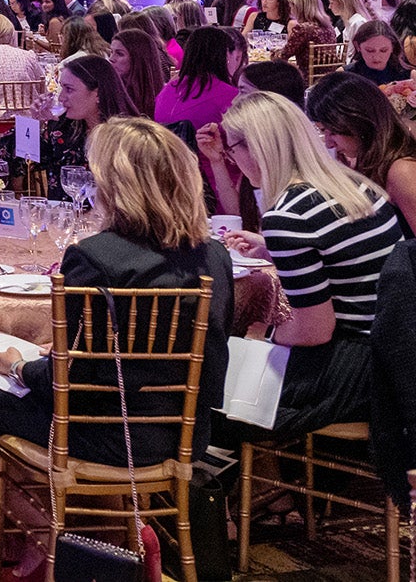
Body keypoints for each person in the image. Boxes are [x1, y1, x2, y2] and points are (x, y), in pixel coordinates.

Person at [0, 118, 232, 466]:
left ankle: (40, 519)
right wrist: (66, 352)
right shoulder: (215, 255)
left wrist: (18, 366)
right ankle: (117, 516)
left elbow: (66, 383)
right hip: (188, 433)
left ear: (113, 186)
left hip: (103, 432)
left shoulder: (94, 257)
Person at [217, 92, 408, 440]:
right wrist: (273, 251)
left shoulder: (288, 214)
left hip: (363, 367)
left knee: (215, 385)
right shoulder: (353, 183)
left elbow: (314, 330)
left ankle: (270, 491)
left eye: (231, 149)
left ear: (256, 148)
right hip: (398, 348)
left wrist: (267, 333)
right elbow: (350, 267)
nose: (232, 160)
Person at [306, 71, 416, 232]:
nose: (329, 144)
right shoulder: (369, 159)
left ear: (357, 121)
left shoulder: (401, 170)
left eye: (333, 132)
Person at [20, 55, 133, 198]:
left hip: (105, 218)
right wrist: (35, 122)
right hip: (61, 217)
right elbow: (22, 162)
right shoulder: (64, 128)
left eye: (69, 89)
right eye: (62, 88)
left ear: (97, 93)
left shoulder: (127, 139)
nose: (61, 97)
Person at [157, 27, 242, 192]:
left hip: (169, 182)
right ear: (226, 56)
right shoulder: (230, 97)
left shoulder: (166, 91)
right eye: (236, 56)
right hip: (216, 187)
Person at [108, 29, 169, 120]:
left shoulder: (164, 97)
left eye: (120, 54)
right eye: (111, 52)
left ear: (138, 59)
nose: (111, 59)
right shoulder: (110, 93)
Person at [274, 0, 336, 74]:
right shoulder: (329, 27)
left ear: (298, 7)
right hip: (329, 77)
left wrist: (274, 52)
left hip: (306, 77)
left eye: (291, 6)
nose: (290, 10)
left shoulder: (303, 28)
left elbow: (284, 55)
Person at [344, 19, 411, 84]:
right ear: (357, 46)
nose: (376, 57)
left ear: (392, 47)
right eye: (370, 50)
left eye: (383, 50)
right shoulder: (345, 75)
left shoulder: (409, 76)